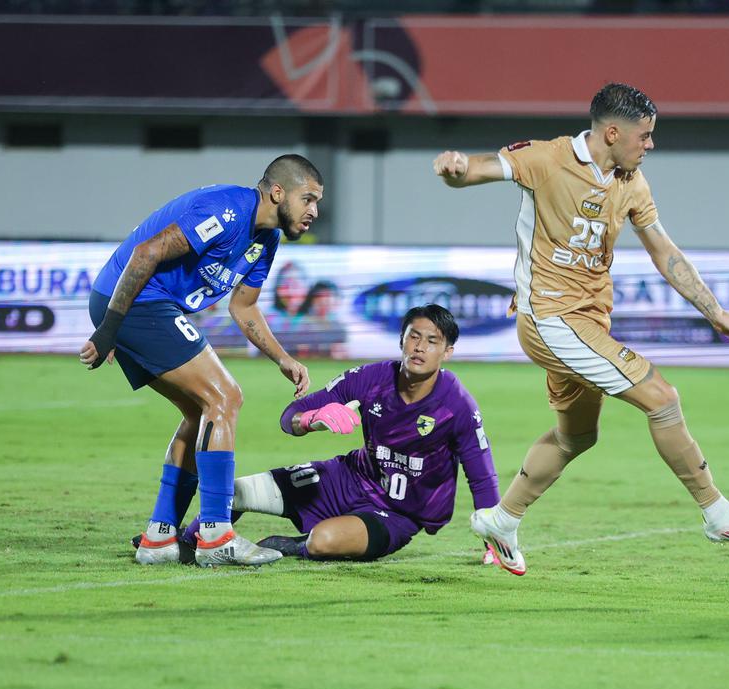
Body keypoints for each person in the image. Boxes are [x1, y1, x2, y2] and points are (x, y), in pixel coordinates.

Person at [432, 82, 729, 576]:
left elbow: (664, 250)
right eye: (645, 136)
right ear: (612, 132)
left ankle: (502, 520)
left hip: (586, 323)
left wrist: (715, 311)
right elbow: (478, 169)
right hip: (550, 318)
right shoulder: (547, 159)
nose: (650, 145)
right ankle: (716, 512)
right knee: (662, 398)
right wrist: (454, 169)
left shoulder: (631, 181)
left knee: (577, 437)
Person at [81, 154, 324, 567]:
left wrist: (281, 358)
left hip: (145, 306)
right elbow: (145, 254)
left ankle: (159, 539)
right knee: (225, 397)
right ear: (278, 192)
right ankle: (215, 534)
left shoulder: (266, 240)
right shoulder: (228, 211)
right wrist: (107, 332)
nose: (314, 211)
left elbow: (244, 309)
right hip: (136, 301)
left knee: (201, 413)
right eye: (308, 199)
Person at [152, 304, 499, 562]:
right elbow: (290, 416)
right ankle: (187, 541)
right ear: (402, 340)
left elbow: (481, 477)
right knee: (236, 492)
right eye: (414, 337)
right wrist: (313, 418)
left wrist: (493, 545)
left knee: (323, 542)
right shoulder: (371, 378)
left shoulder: (457, 404)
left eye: (432, 341)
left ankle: (289, 545)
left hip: (397, 514)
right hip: (344, 478)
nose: (420, 347)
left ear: (447, 352)